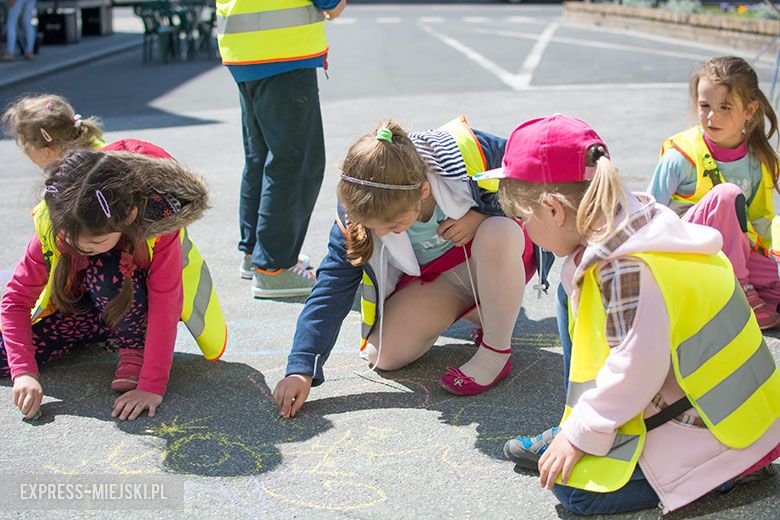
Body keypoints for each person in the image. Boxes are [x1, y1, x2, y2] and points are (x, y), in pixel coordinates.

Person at [478, 114, 780, 515]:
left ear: (553, 209)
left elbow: (636, 369)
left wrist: (579, 436)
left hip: (719, 423)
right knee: (570, 290)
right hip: (715, 399)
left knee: (575, 494)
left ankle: (726, 471)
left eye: (524, 217)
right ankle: (588, 419)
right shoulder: (633, 215)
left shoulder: (623, 270)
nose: (524, 228)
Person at [272, 117, 554, 418]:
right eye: (376, 228)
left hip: (497, 254)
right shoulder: (360, 207)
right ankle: (487, 312)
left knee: (499, 232)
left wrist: (482, 216)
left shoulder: (468, 153)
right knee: (384, 355)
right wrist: (301, 369)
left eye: (394, 225)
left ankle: (496, 352)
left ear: (422, 191)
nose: (384, 234)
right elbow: (330, 290)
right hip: (441, 277)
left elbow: (534, 181)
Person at [1, 149, 228, 422]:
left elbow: (164, 306)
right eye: (70, 240)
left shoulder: (159, 234)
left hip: (131, 307)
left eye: (94, 242)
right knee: (6, 357)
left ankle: (133, 346)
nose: (81, 247)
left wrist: (151, 386)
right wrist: (25, 373)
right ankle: (106, 337)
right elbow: (16, 302)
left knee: (105, 268)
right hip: (85, 311)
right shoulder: (56, 223)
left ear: (130, 216)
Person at [215, 0, 346, 298]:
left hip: (244, 49)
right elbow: (333, 5)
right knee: (295, 162)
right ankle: (273, 268)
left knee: (260, 157)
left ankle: (256, 254)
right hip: (281, 51)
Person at [648, 56, 780, 329]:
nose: (712, 116)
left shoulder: (757, 161)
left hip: (733, 253)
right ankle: (737, 291)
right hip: (687, 252)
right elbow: (650, 212)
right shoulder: (680, 156)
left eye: (725, 107)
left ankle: (728, 292)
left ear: (750, 110)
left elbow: (759, 223)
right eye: (704, 105)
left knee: (775, 285)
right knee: (727, 195)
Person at [3, 94, 105, 169]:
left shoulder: (64, 189)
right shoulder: (107, 153)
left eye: (25, 140)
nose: (24, 150)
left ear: (47, 151)